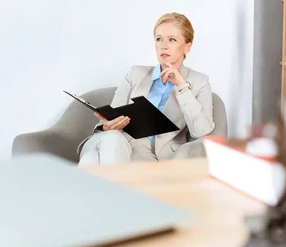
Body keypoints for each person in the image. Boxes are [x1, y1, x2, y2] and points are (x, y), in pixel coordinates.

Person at [77, 12, 216, 165]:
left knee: (90, 161)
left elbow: (201, 130)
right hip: (114, 141)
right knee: (112, 139)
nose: (164, 45)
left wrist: (182, 86)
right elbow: (113, 115)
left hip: (151, 155)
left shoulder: (199, 81)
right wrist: (106, 126)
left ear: (187, 47)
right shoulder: (135, 73)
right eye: (159, 39)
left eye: (172, 40)